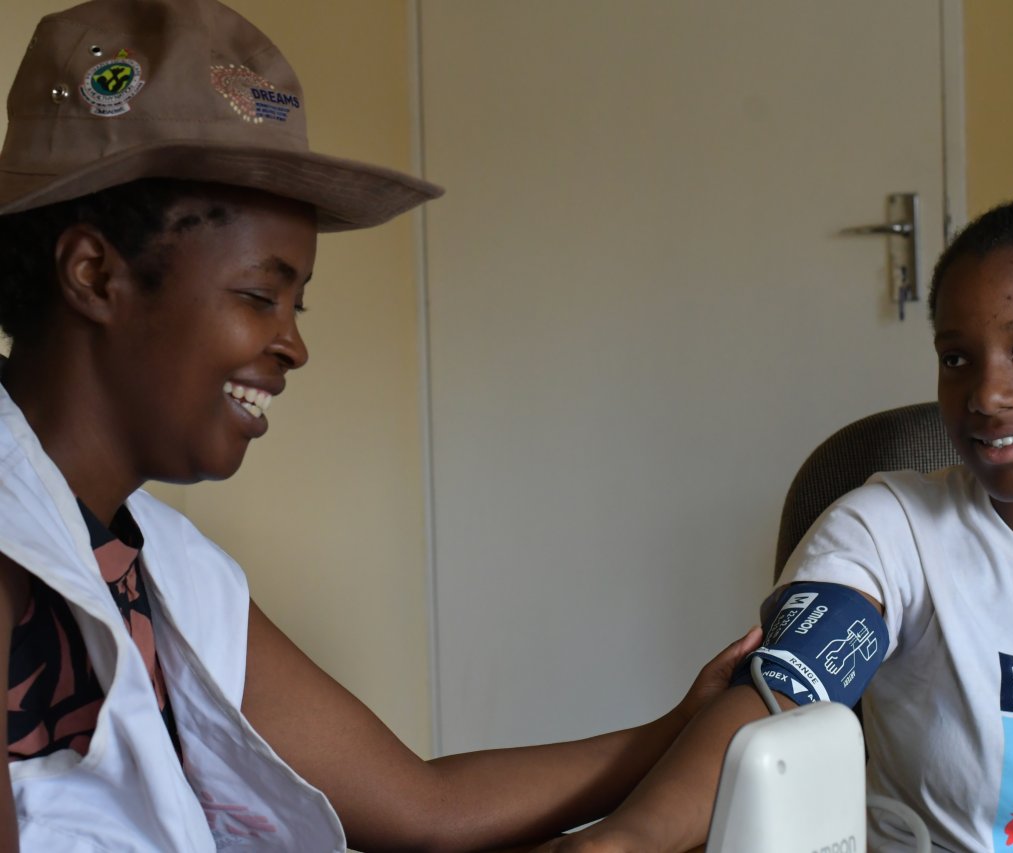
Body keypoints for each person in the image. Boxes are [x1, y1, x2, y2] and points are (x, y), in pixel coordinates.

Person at [0, 1, 760, 850]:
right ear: (95, 273)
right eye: (260, 295)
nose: (292, 344)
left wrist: (679, 725)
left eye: (298, 303)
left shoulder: (164, 568)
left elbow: (423, 806)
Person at [541, 187, 1013, 852]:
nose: (987, 393)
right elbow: (778, 697)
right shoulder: (889, 531)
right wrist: (624, 841)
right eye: (956, 358)